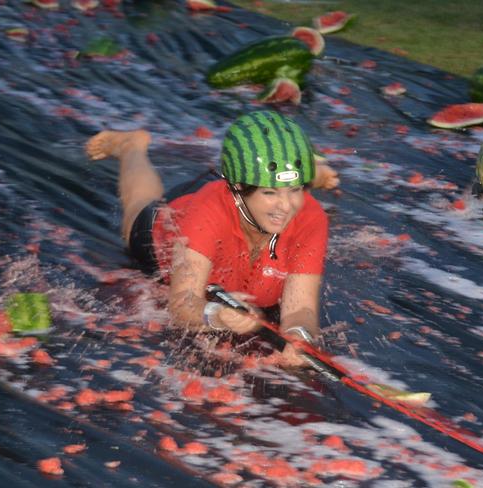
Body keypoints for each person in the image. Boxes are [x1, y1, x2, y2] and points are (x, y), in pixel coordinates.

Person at [85, 111, 339, 366]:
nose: (286, 207)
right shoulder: (208, 210)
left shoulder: (310, 217)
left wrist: (299, 335)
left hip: (242, 196)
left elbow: (300, 309)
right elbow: (182, 302)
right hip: (175, 222)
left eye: (295, 190)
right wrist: (216, 315)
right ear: (238, 190)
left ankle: (295, 175)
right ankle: (131, 148)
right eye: (271, 192)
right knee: (138, 207)